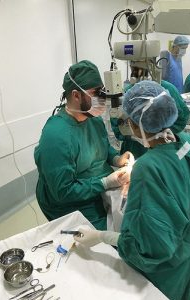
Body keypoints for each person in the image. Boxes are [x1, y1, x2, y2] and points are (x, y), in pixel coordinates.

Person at [74, 80, 190, 300]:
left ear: (135, 124)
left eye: (128, 120)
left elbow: (148, 249)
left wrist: (101, 236)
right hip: (189, 255)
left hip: (165, 272)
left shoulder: (149, 169)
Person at [34, 60, 132, 230]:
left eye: (103, 90)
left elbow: (102, 146)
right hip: (71, 203)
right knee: (111, 240)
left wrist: (116, 159)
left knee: (133, 217)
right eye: (96, 92)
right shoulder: (56, 136)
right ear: (76, 95)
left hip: (98, 189)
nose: (102, 97)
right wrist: (104, 183)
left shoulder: (93, 120)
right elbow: (63, 192)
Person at [110, 79, 190, 159]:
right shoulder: (188, 144)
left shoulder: (146, 165)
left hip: (138, 154)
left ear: (134, 125)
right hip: (137, 150)